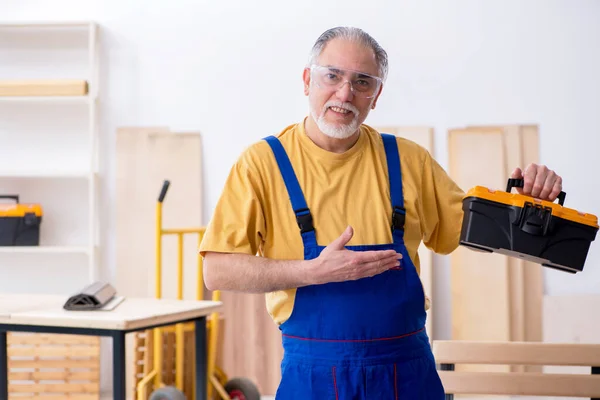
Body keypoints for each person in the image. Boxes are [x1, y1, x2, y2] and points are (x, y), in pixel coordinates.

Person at [199, 26, 563, 399]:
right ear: (307, 80)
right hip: (314, 376)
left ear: (376, 95)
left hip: (406, 374)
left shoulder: (408, 160)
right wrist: (311, 272)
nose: (345, 94)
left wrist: (532, 205)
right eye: (332, 76)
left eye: (362, 81)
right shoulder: (262, 165)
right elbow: (217, 270)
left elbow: (480, 230)